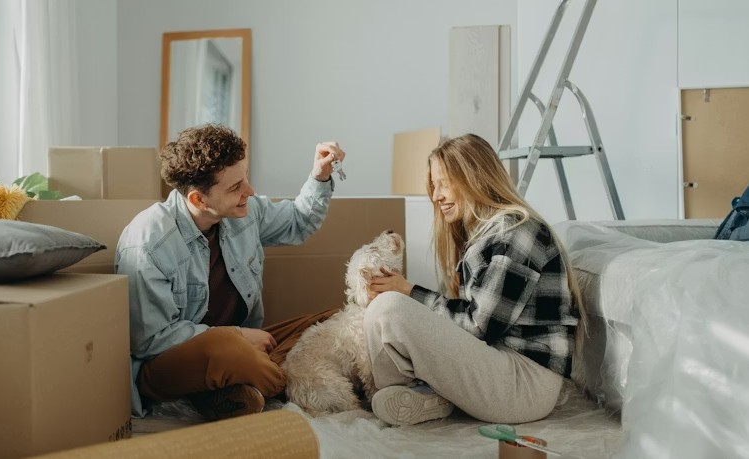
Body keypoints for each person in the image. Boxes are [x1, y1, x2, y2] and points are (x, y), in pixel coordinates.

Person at [116, 124, 345, 420]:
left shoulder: (243, 212)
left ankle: (234, 391)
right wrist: (237, 336)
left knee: (335, 321)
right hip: (173, 363)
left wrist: (319, 175)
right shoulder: (149, 242)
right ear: (198, 199)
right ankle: (286, 381)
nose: (249, 191)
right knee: (228, 350)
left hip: (245, 345)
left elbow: (298, 222)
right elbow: (150, 339)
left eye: (245, 178)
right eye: (235, 187)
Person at [365, 133, 583, 426]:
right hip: (498, 363)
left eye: (443, 183)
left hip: (524, 383)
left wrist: (408, 291)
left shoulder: (516, 233)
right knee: (379, 308)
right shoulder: (485, 235)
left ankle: (411, 388)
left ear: (475, 178)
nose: (436, 196)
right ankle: (419, 395)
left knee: (389, 308)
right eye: (434, 185)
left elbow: (479, 327)